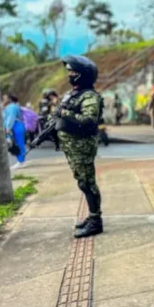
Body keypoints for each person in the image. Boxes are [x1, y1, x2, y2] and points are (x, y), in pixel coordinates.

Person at [54, 54, 105, 238]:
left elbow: (89, 120)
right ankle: (92, 216)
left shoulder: (89, 96)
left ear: (83, 74)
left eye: (73, 72)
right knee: (82, 181)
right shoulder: (73, 94)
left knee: (87, 183)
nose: (70, 75)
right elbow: (60, 115)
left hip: (82, 147)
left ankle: (95, 221)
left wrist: (65, 113)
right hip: (72, 147)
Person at [2, 93, 27, 169]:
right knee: (16, 143)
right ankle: (20, 161)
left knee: (18, 143)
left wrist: (8, 128)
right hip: (15, 126)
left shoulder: (12, 107)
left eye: (5, 98)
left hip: (15, 126)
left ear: (10, 99)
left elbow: (11, 118)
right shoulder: (11, 106)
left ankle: (21, 161)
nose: (3, 100)